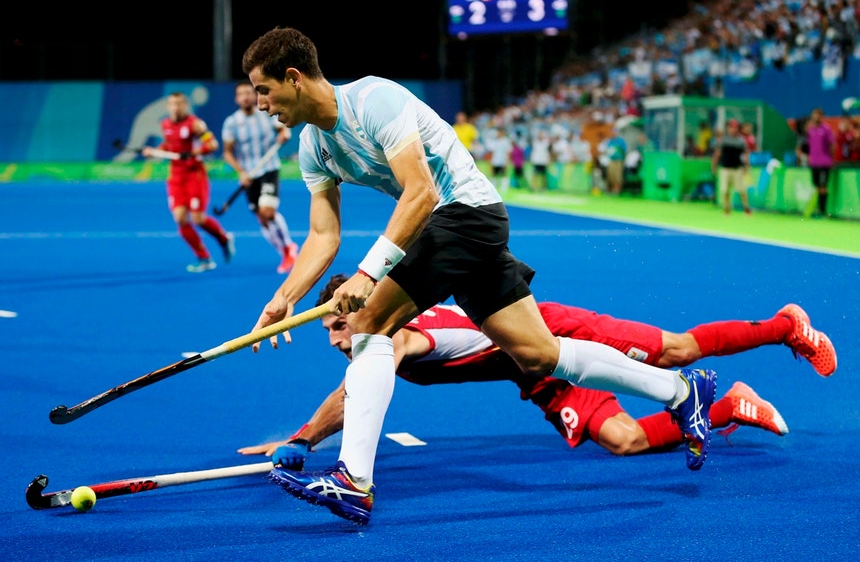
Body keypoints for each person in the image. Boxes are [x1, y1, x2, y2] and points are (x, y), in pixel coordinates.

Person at [241, 26, 717, 526]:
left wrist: (368, 274)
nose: (262, 104)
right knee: (538, 354)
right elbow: (323, 236)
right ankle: (682, 391)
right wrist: (282, 299)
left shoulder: (374, 100)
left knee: (370, 327)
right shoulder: (313, 147)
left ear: (293, 78)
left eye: (264, 90)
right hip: (447, 229)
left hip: (464, 212)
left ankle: (353, 482)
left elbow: (420, 191)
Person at [238, 274, 837, 467]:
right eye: (328, 333)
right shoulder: (386, 335)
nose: (336, 339)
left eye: (340, 326)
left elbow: (355, 392)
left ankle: (785, 326)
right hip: (529, 372)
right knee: (624, 441)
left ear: (368, 317)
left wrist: (301, 440)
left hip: (550, 331)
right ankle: (728, 405)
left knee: (677, 350)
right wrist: (303, 438)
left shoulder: (398, 339)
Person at [142, 91, 235, 273]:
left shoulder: (195, 124)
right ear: (167, 107)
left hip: (195, 175)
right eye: (172, 104)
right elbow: (169, 145)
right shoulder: (166, 124)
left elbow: (212, 145)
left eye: (179, 104)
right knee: (180, 218)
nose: (175, 108)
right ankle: (204, 258)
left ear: (185, 106)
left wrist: (194, 153)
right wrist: (154, 151)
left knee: (198, 218)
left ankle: (224, 239)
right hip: (176, 176)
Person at [221, 81, 299, 274]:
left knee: (268, 212)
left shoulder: (266, 113)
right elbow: (227, 153)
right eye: (242, 94)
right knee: (261, 219)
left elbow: (283, 130)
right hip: (249, 174)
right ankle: (284, 251)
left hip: (269, 169)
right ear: (236, 99)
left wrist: (284, 134)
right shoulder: (232, 122)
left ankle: (289, 248)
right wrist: (241, 172)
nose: (246, 97)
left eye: (250, 92)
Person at [797, 107, 836, 218]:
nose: (816, 117)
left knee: (823, 186)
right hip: (814, 163)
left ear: (821, 117)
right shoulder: (810, 130)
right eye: (814, 115)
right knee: (817, 186)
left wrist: (831, 159)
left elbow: (832, 145)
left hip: (825, 163)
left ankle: (823, 211)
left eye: (818, 115)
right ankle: (818, 209)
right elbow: (807, 145)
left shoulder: (826, 129)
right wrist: (808, 156)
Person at [711, 119, 752, 216]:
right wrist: (714, 166)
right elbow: (717, 153)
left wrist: (747, 165)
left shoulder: (741, 140)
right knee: (725, 190)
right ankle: (727, 208)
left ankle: (746, 208)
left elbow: (746, 153)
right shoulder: (723, 140)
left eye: (735, 127)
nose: (733, 129)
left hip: (737, 169)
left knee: (742, 189)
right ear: (728, 128)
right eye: (731, 127)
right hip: (725, 168)